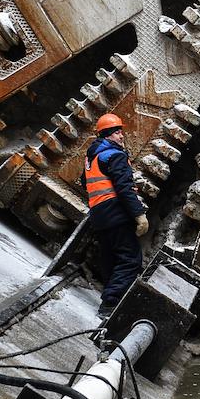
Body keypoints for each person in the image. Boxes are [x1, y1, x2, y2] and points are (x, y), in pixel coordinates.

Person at [82, 112, 149, 319]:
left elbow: (85, 183)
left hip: (99, 214)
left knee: (110, 258)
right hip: (116, 212)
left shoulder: (92, 156)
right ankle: (110, 305)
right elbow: (124, 189)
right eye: (117, 132)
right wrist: (139, 215)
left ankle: (110, 298)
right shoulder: (115, 155)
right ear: (108, 135)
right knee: (130, 260)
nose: (121, 136)